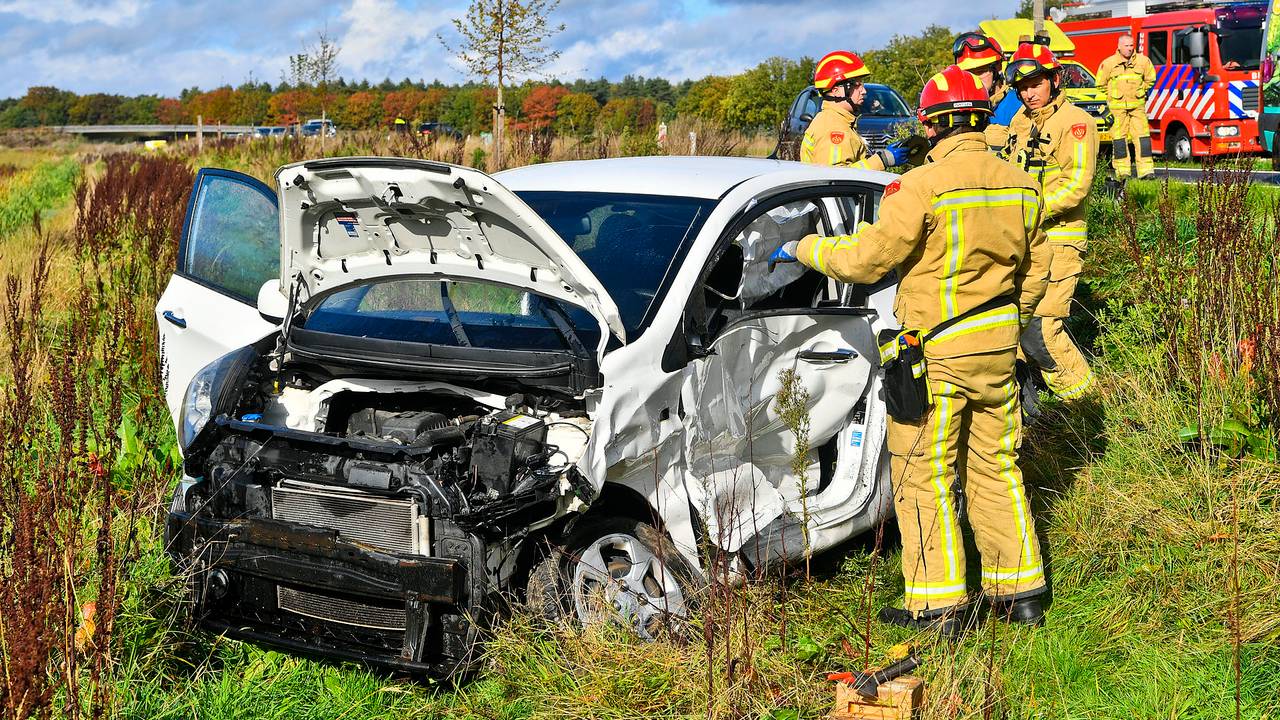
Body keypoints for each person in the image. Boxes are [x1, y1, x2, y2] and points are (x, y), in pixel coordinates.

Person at [772, 64, 1053, 634]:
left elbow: (865, 259)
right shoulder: (1020, 183)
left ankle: (938, 603)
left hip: (937, 354)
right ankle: (1021, 591)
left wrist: (803, 248)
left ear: (933, 124)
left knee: (924, 472)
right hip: (998, 348)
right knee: (996, 465)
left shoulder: (922, 186)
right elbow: (1039, 265)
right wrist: (1009, 323)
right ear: (978, 118)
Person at [1002, 41, 1098, 400]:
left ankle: (1084, 405)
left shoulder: (1076, 123)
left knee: (1041, 329)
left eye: (1036, 83)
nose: (1028, 93)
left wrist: (1028, 211)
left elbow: (1076, 187)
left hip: (1060, 239)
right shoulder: (1018, 121)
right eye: (1022, 87)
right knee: (1015, 324)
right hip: (1022, 239)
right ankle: (1035, 408)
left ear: (1054, 80)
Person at [801, 50, 911, 170]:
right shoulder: (834, 129)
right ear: (836, 91)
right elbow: (838, 179)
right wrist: (883, 160)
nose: (864, 91)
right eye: (856, 85)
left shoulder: (835, 120)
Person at [1095, 34, 1156, 179]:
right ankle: (1123, 172)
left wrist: (1141, 91)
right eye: (1126, 46)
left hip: (1137, 108)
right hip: (1117, 110)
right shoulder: (1109, 63)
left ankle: (1146, 171)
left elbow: (1151, 79)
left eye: (1131, 45)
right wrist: (1112, 95)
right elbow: (1100, 84)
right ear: (1119, 47)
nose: (1129, 49)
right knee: (1119, 140)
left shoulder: (1143, 61)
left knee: (1143, 139)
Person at [953, 32, 1018, 151]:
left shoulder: (1018, 105)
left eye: (981, 71)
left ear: (997, 68)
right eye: (968, 73)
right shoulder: (960, 109)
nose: (974, 79)